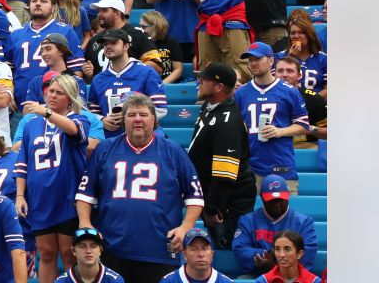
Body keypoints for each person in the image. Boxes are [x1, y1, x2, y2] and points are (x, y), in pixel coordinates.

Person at [75, 94, 204, 283]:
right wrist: (85, 223)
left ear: (153, 119)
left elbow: (195, 197)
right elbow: (85, 194)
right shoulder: (105, 149)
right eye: (131, 115)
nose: (137, 119)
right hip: (112, 248)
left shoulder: (173, 151)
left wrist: (186, 227)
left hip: (159, 248)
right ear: (123, 120)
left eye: (143, 115)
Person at [15, 73, 91, 283]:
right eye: (50, 90)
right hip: (40, 198)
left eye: (59, 92)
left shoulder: (79, 119)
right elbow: (23, 163)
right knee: (46, 253)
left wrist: (46, 112)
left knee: (68, 253)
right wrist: (20, 195)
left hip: (67, 197)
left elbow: (74, 130)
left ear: (70, 98)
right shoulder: (31, 125)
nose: (52, 95)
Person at [188, 63, 256, 248]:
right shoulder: (210, 107)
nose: (199, 82)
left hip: (228, 203)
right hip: (214, 196)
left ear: (218, 87)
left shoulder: (228, 121)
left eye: (204, 79)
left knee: (226, 248)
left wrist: (211, 208)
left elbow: (224, 175)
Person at [233, 175, 319, 275]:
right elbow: (240, 249)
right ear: (262, 197)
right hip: (257, 274)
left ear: (287, 196)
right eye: (272, 200)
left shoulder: (304, 222)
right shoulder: (247, 220)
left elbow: (308, 252)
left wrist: (275, 263)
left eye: (280, 199)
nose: (277, 205)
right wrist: (270, 255)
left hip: (293, 276)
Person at [157, 228, 235, 283]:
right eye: (194, 249)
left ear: (212, 254)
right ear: (184, 255)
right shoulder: (169, 281)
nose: (201, 254)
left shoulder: (225, 282)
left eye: (204, 249)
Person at [52, 227, 124, 283]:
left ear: (100, 250)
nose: (88, 251)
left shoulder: (114, 280)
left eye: (93, 246)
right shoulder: (62, 281)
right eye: (82, 246)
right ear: (73, 250)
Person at [252, 231, 321, 283]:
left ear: (299, 254)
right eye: (277, 249)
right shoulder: (263, 281)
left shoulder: (314, 281)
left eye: (287, 249)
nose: (281, 255)